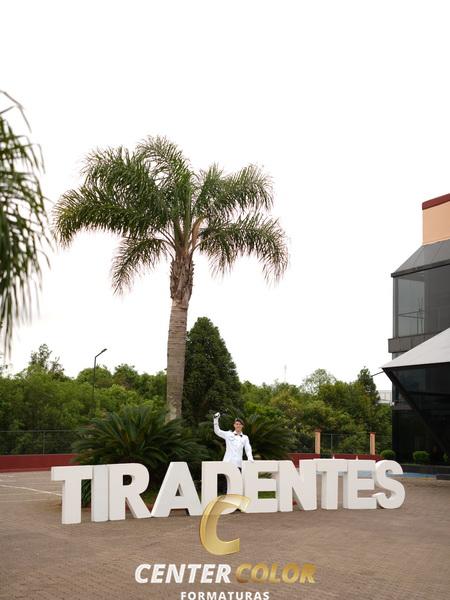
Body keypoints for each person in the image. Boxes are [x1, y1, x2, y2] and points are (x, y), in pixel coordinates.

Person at [213, 412, 254, 494]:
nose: (238, 425)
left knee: (237, 485)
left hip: (238, 464)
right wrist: (215, 419)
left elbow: (248, 448)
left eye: (239, 424)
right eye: (236, 424)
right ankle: (226, 500)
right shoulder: (228, 434)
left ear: (242, 426)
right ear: (234, 425)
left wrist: (250, 457)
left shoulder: (245, 438)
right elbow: (217, 431)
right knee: (226, 484)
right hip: (228, 462)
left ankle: (236, 501)